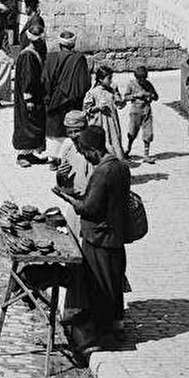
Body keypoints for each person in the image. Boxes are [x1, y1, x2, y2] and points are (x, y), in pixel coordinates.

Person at [54, 126, 130, 356]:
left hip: (99, 237)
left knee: (99, 287)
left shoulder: (102, 172)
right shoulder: (121, 167)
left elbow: (89, 208)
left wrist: (64, 195)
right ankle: (113, 327)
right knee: (112, 283)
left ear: (92, 150)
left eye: (84, 151)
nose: (84, 156)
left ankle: (101, 335)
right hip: (115, 235)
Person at [42, 30, 91, 166]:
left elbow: (45, 79)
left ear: (59, 43)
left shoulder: (51, 58)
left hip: (54, 100)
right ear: (73, 43)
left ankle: (53, 159)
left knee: (54, 130)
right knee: (70, 129)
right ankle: (67, 159)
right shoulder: (79, 59)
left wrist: (47, 96)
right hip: (71, 100)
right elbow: (85, 83)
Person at [12, 26, 47, 167]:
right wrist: (28, 99)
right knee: (27, 124)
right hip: (29, 98)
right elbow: (28, 78)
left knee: (34, 123)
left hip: (35, 95)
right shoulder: (28, 55)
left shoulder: (32, 53)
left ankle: (30, 154)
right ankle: (22, 155)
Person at [83, 65, 127, 161]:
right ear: (101, 79)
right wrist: (97, 108)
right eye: (109, 78)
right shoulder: (93, 93)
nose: (111, 81)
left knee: (114, 141)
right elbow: (86, 109)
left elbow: (120, 105)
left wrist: (118, 94)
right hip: (100, 123)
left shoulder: (112, 91)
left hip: (112, 123)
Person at [122, 66, 160, 160]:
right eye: (140, 79)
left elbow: (156, 97)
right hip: (135, 111)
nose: (142, 81)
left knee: (148, 132)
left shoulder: (148, 84)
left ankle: (146, 155)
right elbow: (126, 97)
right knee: (132, 132)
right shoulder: (131, 84)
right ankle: (128, 148)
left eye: (144, 79)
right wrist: (136, 95)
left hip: (147, 110)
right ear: (136, 78)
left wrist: (150, 95)